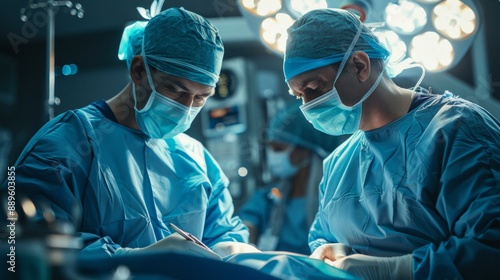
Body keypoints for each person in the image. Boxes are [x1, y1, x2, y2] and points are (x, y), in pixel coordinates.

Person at [2, 7, 258, 260]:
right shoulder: (69, 143)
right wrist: (132, 258)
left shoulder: (196, 157)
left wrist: (230, 248)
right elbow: (21, 243)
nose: (186, 107)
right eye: (175, 90)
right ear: (138, 71)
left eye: (201, 97)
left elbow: (224, 230)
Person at [283, 8, 500, 280]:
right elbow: (322, 239)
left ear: (359, 65)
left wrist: (398, 270)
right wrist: (331, 253)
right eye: (298, 95)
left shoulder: (455, 129)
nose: (308, 105)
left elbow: (491, 245)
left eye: (314, 88)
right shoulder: (339, 164)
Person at [238, 104, 341, 255]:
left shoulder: (331, 198)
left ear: (305, 151)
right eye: (271, 147)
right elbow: (248, 219)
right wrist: (246, 234)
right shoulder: (271, 194)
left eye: (279, 149)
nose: (273, 155)